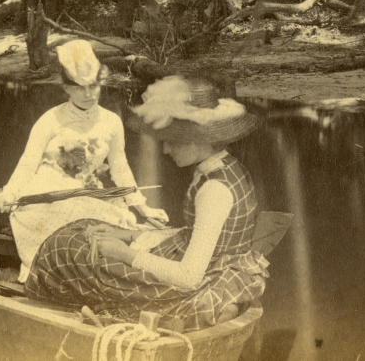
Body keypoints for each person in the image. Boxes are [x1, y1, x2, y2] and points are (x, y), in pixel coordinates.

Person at [24, 75, 269, 331]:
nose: (165, 149)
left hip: (199, 283)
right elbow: (201, 235)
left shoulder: (214, 190)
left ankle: (46, 318)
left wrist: (125, 253)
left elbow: (188, 277)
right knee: (85, 227)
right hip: (214, 267)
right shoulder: (225, 168)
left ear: (199, 138)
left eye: (171, 139)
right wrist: (129, 235)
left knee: (65, 248)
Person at [0, 39, 159, 281]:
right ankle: (50, 280)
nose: (89, 94)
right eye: (80, 87)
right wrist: (8, 196)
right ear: (67, 88)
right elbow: (28, 164)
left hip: (87, 192)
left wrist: (143, 206)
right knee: (69, 228)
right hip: (47, 193)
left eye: (93, 85)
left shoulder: (111, 121)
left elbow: (120, 168)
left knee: (118, 226)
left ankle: (94, 281)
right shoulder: (50, 119)